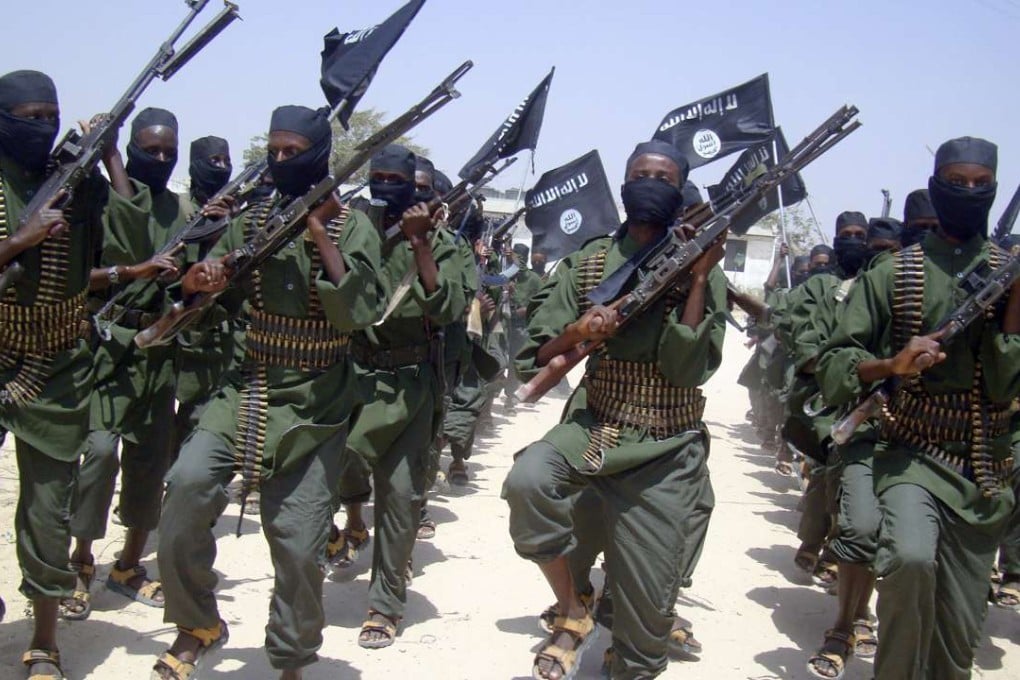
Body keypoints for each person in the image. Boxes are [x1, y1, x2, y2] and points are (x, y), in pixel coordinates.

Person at [151, 104, 385, 680]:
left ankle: (290, 656)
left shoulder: (351, 225)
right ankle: (197, 623)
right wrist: (197, 285)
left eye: (292, 154)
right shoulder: (250, 223)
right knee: (183, 494)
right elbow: (206, 305)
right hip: (247, 391)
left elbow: (358, 313)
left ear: (318, 158)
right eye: (274, 153)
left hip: (316, 403)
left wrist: (316, 229)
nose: (281, 162)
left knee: (299, 547)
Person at [502, 139, 727, 679]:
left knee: (644, 637)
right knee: (529, 479)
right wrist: (578, 330)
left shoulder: (698, 264)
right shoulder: (590, 261)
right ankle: (574, 608)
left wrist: (696, 278)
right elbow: (532, 355)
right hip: (597, 425)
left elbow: (689, 369)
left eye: (666, 178)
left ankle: (630, 646)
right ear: (624, 185)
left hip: (666, 442)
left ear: (680, 189)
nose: (651, 183)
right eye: (641, 174)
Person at [817, 136, 1020, 680]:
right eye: (958, 182)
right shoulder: (895, 273)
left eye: (981, 185)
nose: (969, 192)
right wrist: (893, 366)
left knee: (958, 626)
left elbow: (1006, 386)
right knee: (908, 558)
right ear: (936, 185)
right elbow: (836, 364)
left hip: (982, 467)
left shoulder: (1009, 272)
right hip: (911, 454)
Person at [334, 144, 467, 649]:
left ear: (415, 184)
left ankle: (385, 605)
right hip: (353, 376)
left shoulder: (441, 240)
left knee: (401, 498)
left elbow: (449, 305)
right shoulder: (354, 227)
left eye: (397, 178)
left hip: (411, 382)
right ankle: (341, 531)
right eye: (378, 176)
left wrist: (421, 245)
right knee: (325, 473)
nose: (386, 185)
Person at [0, 69, 109, 680]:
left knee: (46, 512)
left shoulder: (70, 183)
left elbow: (100, 248)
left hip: (55, 365)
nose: (41, 128)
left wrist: (101, 154)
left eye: (51, 117)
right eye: (28, 117)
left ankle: (44, 639)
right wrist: (19, 241)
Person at [65, 107, 188, 620]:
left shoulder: (179, 209)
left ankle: (129, 566)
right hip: (106, 344)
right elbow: (80, 270)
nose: (158, 159)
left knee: (150, 461)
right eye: (149, 149)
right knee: (97, 455)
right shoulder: (94, 196)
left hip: (158, 348)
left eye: (167, 152)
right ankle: (79, 563)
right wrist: (111, 155)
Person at [780, 211, 869, 594]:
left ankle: (836, 549)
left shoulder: (874, 285)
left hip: (868, 396)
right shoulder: (820, 288)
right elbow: (795, 326)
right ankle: (818, 542)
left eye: (859, 235)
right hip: (823, 395)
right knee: (830, 469)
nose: (853, 240)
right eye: (845, 234)